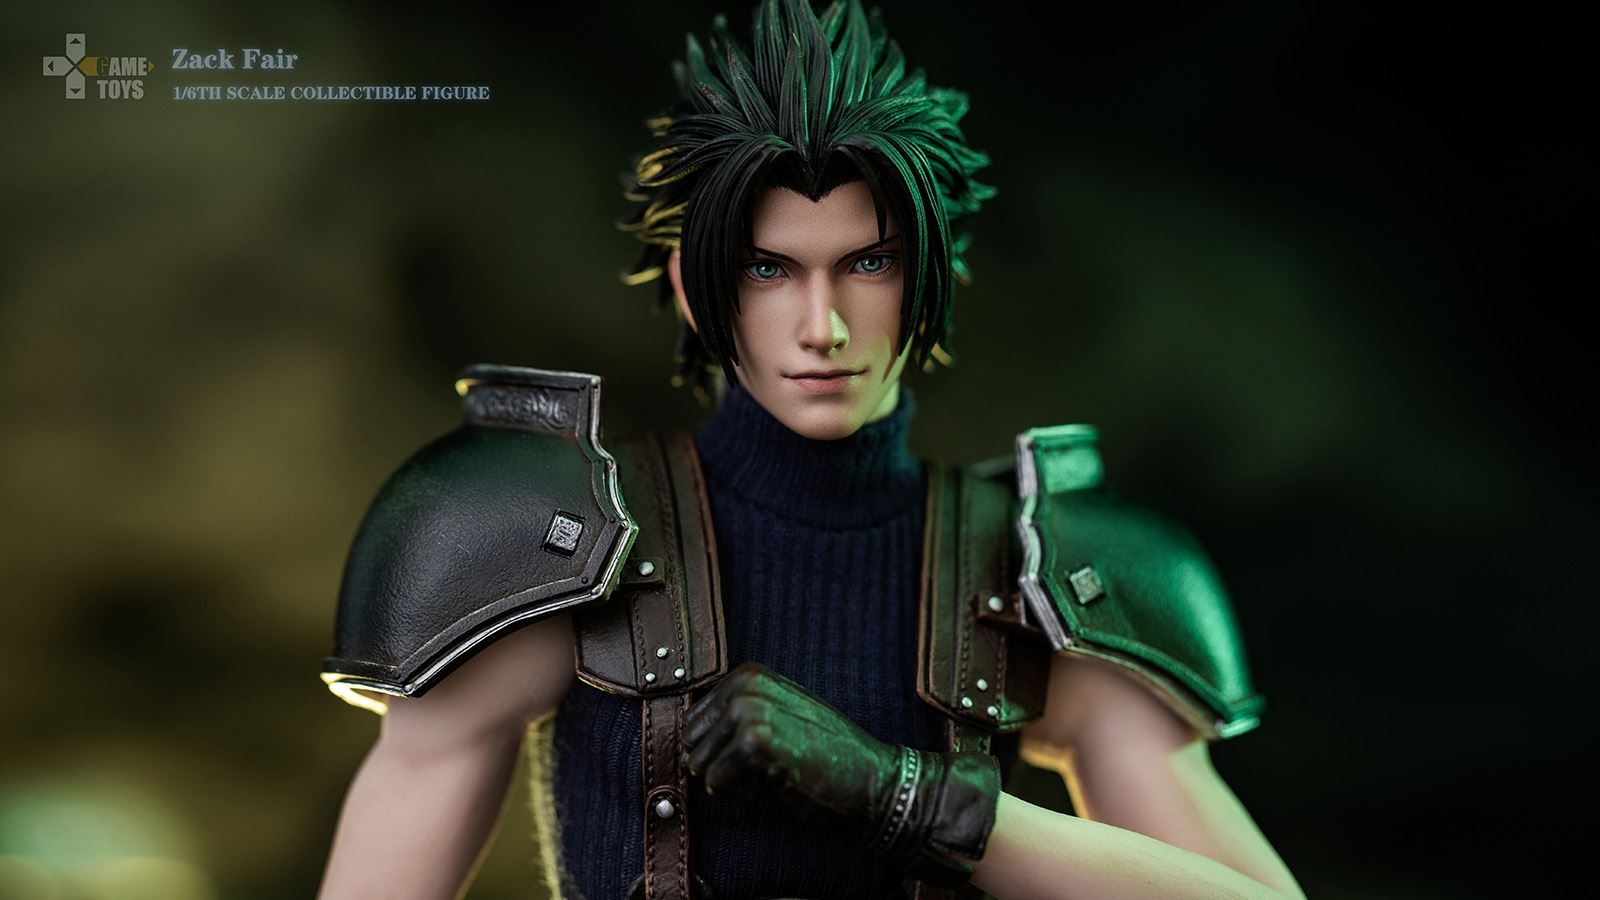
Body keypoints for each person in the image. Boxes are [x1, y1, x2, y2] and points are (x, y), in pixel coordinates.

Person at [316, 1, 1305, 898]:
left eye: (868, 262)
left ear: (933, 273)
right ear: (694, 284)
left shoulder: (1021, 571)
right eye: (768, 269)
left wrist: (896, 792)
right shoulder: (561, 544)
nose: (821, 327)